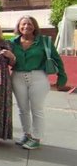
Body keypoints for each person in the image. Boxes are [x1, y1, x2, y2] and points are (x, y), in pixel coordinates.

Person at [10, 15, 67, 150]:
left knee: (37, 109)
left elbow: (57, 59)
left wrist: (62, 77)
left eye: (29, 24)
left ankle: (36, 137)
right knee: (22, 108)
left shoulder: (44, 41)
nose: (26, 27)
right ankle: (27, 134)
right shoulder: (13, 42)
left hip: (38, 77)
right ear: (18, 27)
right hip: (17, 76)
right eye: (23, 24)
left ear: (34, 26)